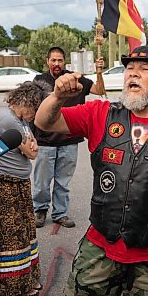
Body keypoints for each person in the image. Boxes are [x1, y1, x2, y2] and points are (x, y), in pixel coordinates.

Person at [35, 45, 148, 296]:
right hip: (99, 250)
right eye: (130, 68)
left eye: (144, 69)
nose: (133, 74)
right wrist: (57, 97)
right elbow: (44, 122)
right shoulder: (101, 114)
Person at [0, 81, 48, 296]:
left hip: (16, 184)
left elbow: (33, 148)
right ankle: (14, 287)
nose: (35, 115)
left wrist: (31, 148)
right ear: (26, 102)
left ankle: (25, 278)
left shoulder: (20, 121)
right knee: (11, 238)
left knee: (24, 233)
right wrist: (30, 149)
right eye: (35, 109)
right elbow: (31, 153)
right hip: (5, 185)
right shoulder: (9, 121)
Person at [32, 46, 102, 228]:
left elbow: (100, 90)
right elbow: (33, 110)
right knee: (41, 182)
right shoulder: (39, 81)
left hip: (69, 141)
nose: (56, 63)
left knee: (63, 182)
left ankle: (60, 214)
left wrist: (99, 71)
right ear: (47, 61)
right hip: (45, 141)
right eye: (53, 60)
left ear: (65, 62)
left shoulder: (75, 79)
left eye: (60, 60)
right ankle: (40, 210)